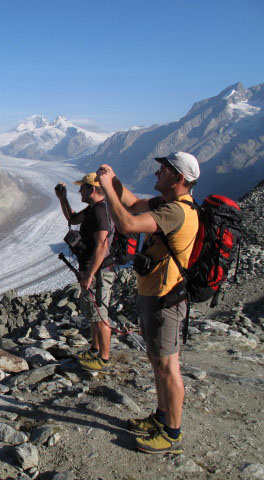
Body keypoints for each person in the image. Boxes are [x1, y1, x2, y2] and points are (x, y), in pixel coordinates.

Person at [96, 151, 200, 455]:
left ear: (178, 178)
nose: (157, 173)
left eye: (164, 170)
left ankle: (172, 435)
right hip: (154, 294)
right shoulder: (167, 204)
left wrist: (104, 189)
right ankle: (161, 416)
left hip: (166, 299)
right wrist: (113, 180)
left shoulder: (176, 212)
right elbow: (131, 202)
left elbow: (127, 222)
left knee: (168, 366)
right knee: (157, 361)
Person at [55, 173, 115, 372]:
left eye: (83, 187)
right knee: (93, 313)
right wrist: (62, 198)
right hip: (90, 270)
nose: (80, 190)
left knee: (100, 315)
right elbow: (72, 218)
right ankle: (95, 349)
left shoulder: (100, 212)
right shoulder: (92, 209)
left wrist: (90, 273)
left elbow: (102, 245)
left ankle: (103, 359)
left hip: (99, 272)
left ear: (92, 189)